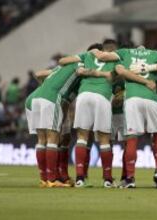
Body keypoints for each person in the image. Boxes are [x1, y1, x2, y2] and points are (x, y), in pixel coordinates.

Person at [92, 46, 157, 188]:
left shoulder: (125, 52)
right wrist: (150, 67)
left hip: (132, 99)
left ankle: (130, 178)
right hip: (152, 98)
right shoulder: (155, 54)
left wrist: (94, 51)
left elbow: (104, 58)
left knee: (132, 137)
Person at [59, 43, 117, 188]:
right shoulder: (117, 59)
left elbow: (62, 61)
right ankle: (108, 180)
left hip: (84, 95)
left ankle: (79, 178)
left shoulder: (88, 55)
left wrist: (82, 68)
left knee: (82, 137)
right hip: (102, 96)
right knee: (104, 139)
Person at [30, 62, 82, 187]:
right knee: (54, 139)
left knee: (43, 139)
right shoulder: (79, 68)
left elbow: (38, 74)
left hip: (36, 98)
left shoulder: (59, 70)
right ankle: (53, 179)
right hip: (53, 100)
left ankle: (45, 178)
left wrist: (45, 86)